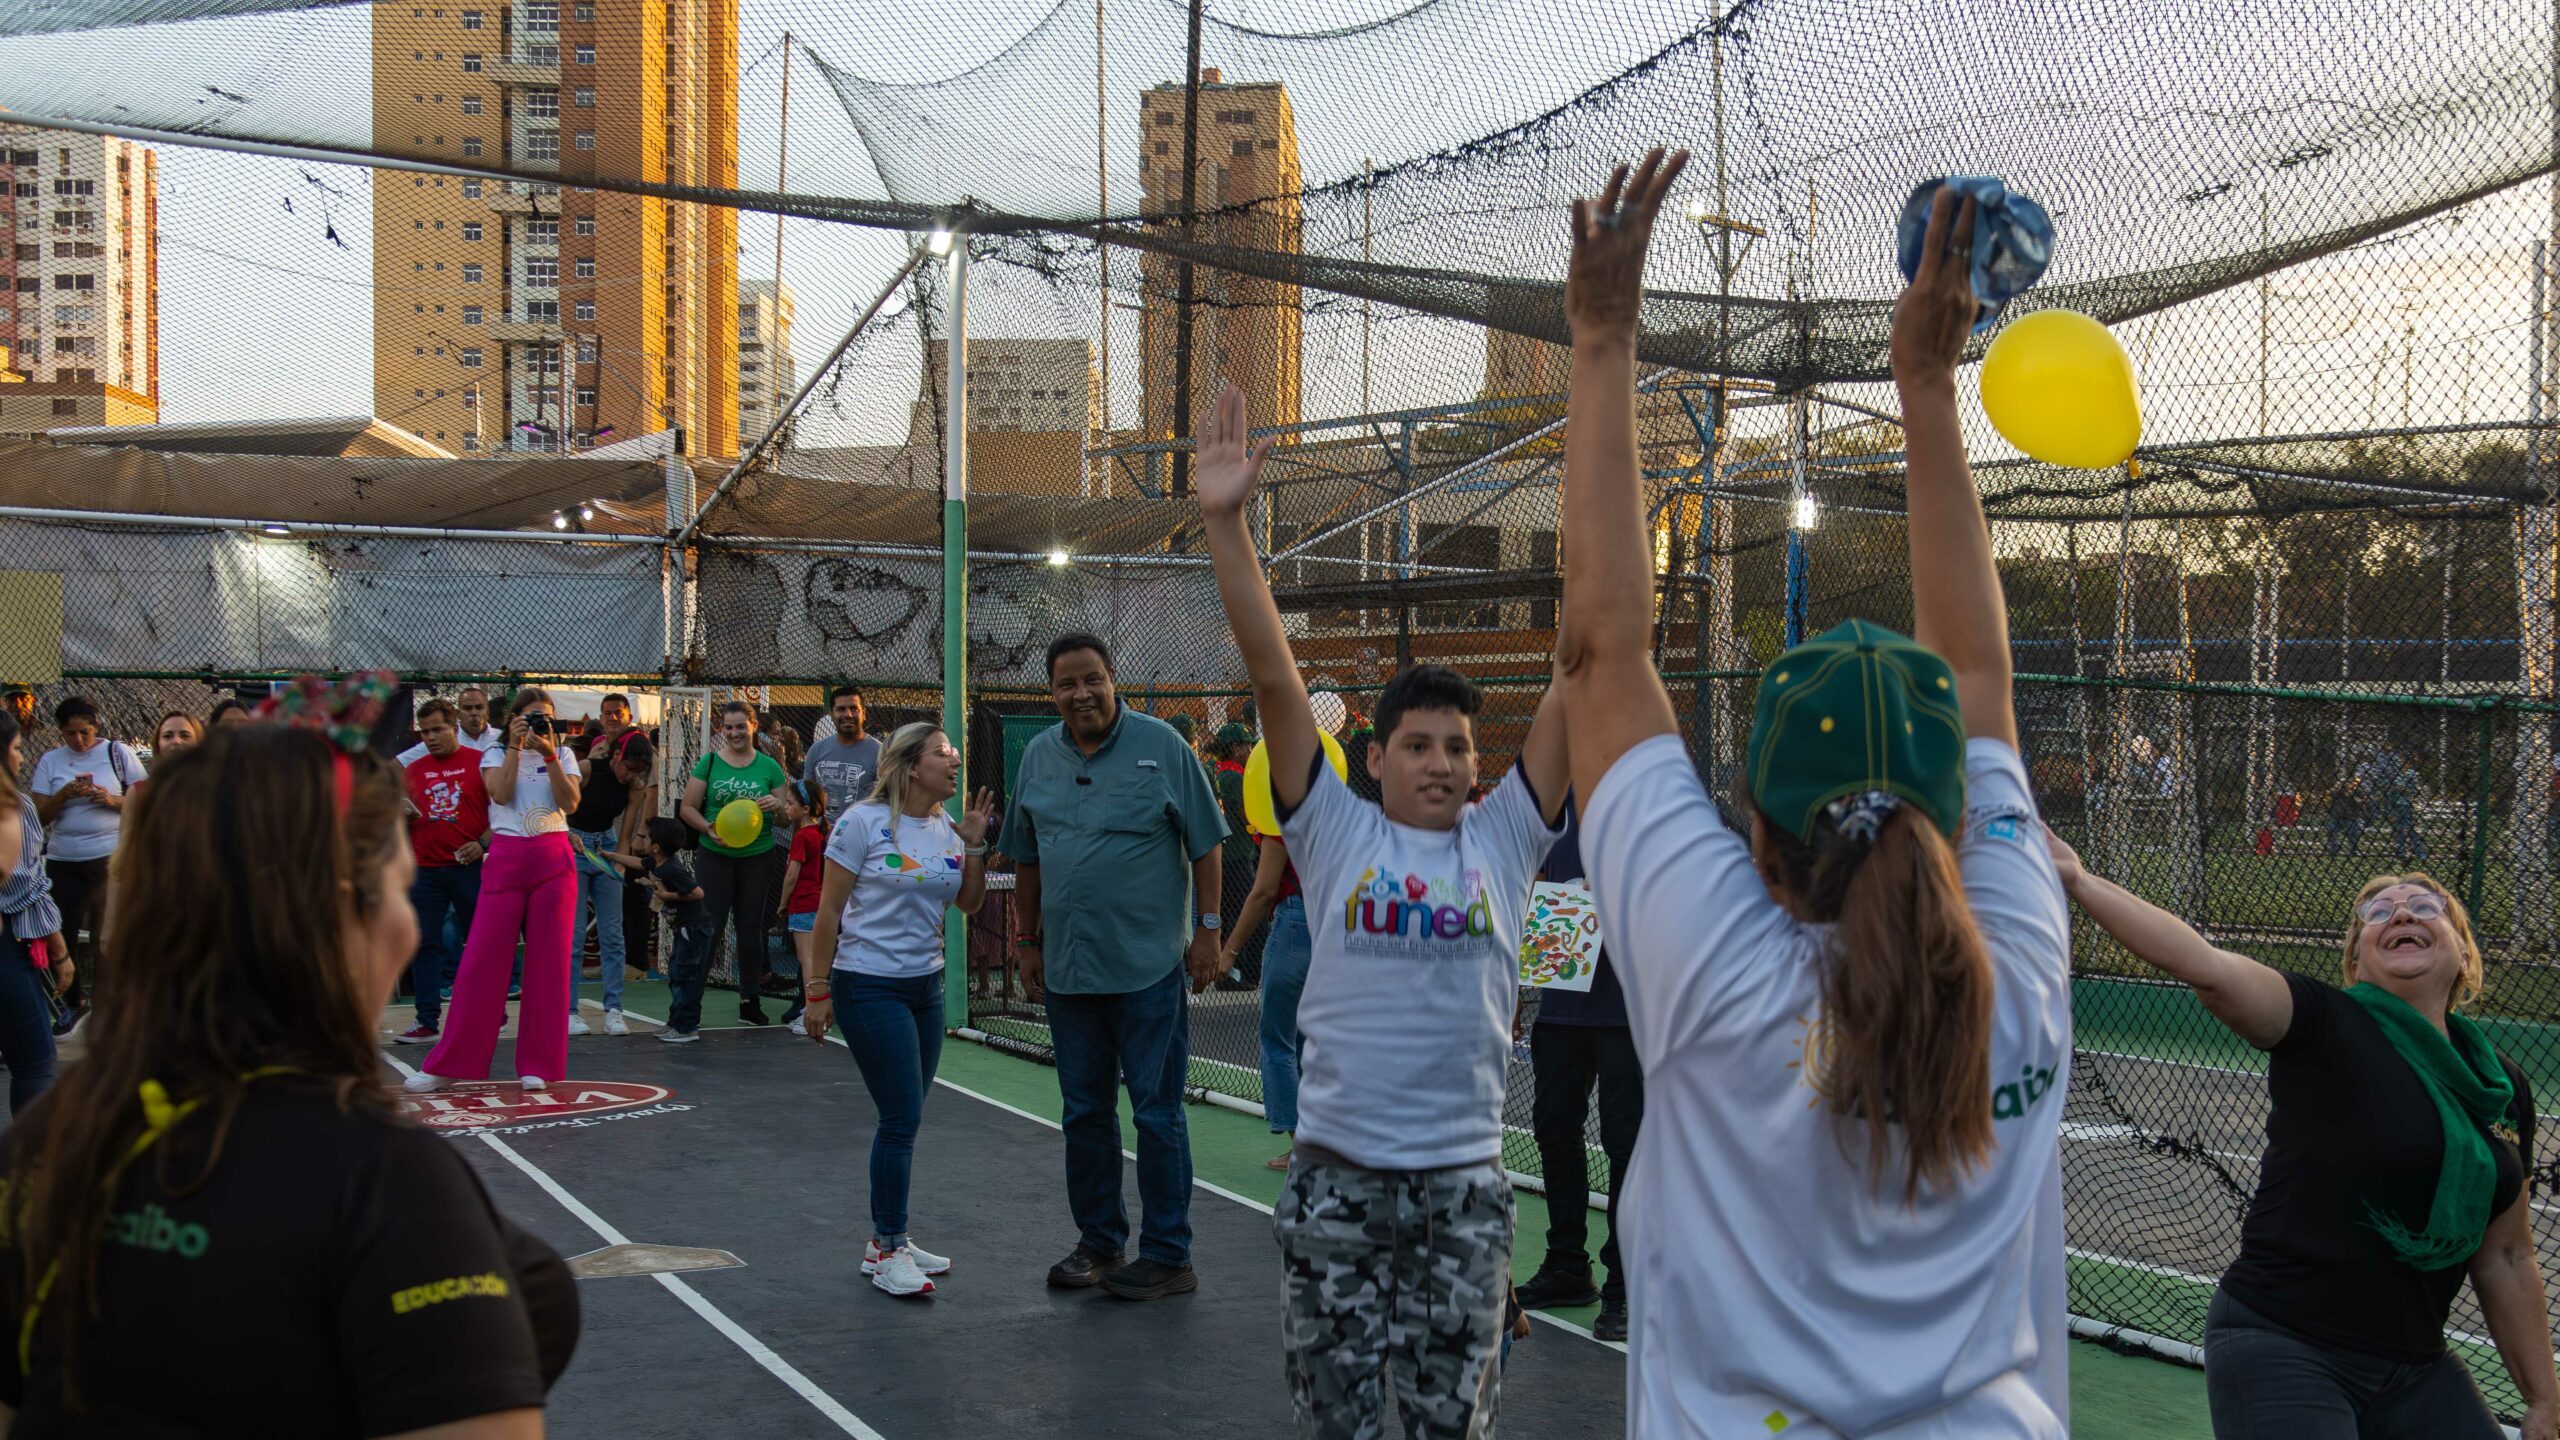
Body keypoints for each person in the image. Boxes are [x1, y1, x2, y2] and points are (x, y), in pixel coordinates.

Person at [1560, 162, 2075, 1437]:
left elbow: (1602, 654)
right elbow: (1977, 671)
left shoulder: (1711, 967)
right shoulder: (2019, 965)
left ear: (1758, 840)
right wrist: (1925, 386)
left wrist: (1603, 338)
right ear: (1959, 822)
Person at [0, 703, 579, 1435]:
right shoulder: (382, 1184)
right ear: (339, 915)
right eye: (397, 894)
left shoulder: (48, 1140)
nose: (408, 930)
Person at [1196, 380, 1570, 1437]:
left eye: (1458, 746)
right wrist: (1227, 522)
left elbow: (1580, 671)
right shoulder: (1334, 829)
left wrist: (1602, 503)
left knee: (1453, 1429)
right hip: (1339, 1194)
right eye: (1419, 744)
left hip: (1462, 1197)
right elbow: (1272, 677)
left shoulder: (1505, 837)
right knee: (1344, 1428)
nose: (1443, 762)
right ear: (1376, 757)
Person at [2052, 842, 2556, 1437]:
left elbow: (2507, 1255)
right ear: (2356, 962)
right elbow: (2206, 967)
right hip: (2285, 1341)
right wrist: (2080, 880)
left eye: (2426, 906)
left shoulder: (2500, 1087)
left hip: (2416, 1368)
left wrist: (2544, 1399)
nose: (2400, 914)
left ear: (2464, 952)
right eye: (2377, 912)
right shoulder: (2325, 1024)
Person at [1002, 632, 1228, 1301]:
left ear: (1113, 679)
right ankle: (1099, 1243)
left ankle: (1168, 1254)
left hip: (1148, 970)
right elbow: (1027, 858)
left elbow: (1207, 844)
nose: (1081, 695)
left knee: (1157, 1115)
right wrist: (1025, 941)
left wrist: (1209, 934)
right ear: (1051, 692)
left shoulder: (1164, 747)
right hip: (1070, 974)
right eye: (1067, 684)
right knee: (1084, 1114)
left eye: (1092, 680)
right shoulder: (1040, 758)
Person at [802, 724, 996, 1297]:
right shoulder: (861, 824)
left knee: (906, 1117)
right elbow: (828, 912)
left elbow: (969, 903)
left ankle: (886, 1242)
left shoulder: (945, 828)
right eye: (944, 754)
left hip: (924, 988)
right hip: (867, 986)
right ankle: (889, 1247)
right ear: (912, 765)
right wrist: (817, 990)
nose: (955, 762)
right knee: (900, 1118)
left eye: (955, 753)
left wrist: (976, 844)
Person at [407, 687, 583, 1093]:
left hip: (553, 862)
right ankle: (449, 1062)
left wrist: (551, 753)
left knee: (549, 967)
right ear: (514, 718)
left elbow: (570, 803)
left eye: (547, 717)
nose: (542, 723)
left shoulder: (566, 754)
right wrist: (518, 747)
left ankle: (540, 1064)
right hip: (506, 860)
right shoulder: (493, 753)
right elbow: (500, 794)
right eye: (533, 716)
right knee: (480, 963)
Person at [1512, 801, 1641, 1344]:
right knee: (1554, 1128)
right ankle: (1568, 1264)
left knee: (1626, 1145)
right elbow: (1537, 884)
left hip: (1628, 1008)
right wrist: (1519, 984)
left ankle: (1626, 1283)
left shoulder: (1646, 797)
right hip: (1563, 1000)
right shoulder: (1555, 805)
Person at [30, 695, 142, 1033]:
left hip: (109, 856)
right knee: (61, 932)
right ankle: (74, 1001)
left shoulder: (118, 753)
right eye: (70, 734)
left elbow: (144, 799)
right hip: (65, 858)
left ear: (97, 727)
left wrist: (109, 799)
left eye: (85, 732)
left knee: (103, 936)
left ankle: (106, 1010)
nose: (79, 740)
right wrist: (64, 794)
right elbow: (39, 816)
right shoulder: (51, 761)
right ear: (61, 733)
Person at [680, 701, 795, 1028]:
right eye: (728, 727)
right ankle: (691, 1004)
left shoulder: (770, 767)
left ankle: (750, 999)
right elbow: (688, 807)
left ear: (753, 726)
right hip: (715, 855)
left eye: (740, 726)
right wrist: (707, 828)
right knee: (710, 928)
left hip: (757, 857)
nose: (734, 733)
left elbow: (787, 818)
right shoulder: (710, 762)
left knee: (750, 930)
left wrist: (777, 806)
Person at [393, 698, 492, 1045]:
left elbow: (504, 814)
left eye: (437, 730)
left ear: (454, 728)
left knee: (480, 943)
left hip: (467, 868)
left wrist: (482, 844)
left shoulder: (480, 763)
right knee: (424, 944)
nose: (431, 738)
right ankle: (426, 1020)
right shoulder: (413, 770)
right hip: (425, 870)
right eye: (425, 732)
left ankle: (490, 1011)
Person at [1222, 823, 1307, 1172]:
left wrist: (1230, 949)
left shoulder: (1284, 819)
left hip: (1295, 923)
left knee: (1278, 1040)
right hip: (1337, 923)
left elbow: (1263, 890)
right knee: (1310, 1040)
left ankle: (1303, 1148)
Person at [564, 695, 646, 1038]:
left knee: (613, 934)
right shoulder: (586, 770)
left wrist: (620, 868)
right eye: (628, 768)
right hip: (576, 845)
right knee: (575, 935)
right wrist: (568, 835)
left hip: (606, 848)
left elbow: (625, 835)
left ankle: (614, 1009)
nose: (630, 776)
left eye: (638, 772)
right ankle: (569, 1010)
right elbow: (557, 811)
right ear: (616, 757)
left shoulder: (635, 786)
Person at [0, 708, 65, 1113]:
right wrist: (59, 949)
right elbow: (25, 886)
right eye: (18, 748)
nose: (21, 758)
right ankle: (28, 1167)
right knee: (35, 1063)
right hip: (6, 949)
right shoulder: (12, 806)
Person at [605, 818, 710, 1044]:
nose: (645, 839)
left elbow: (697, 893)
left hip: (693, 930)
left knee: (686, 977)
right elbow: (639, 863)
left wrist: (666, 896)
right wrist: (612, 856)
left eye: (648, 836)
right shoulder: (657, 862)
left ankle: (687, 1027)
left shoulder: (672, 868)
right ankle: (676, 1022)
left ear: (656, 846)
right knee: (676, 974)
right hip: (683, 929)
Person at [776, 778, 827, 1028]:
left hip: (804, 903)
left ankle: (810, 1009)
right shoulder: (821, 832)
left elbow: (791, 874)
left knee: (806, 959)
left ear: (805, 809)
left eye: (790, 803)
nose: (786, 807)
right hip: (820, 904)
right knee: (818, 959)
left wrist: (783, 903)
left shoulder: (803, 836)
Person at [805, 685, 882, 818]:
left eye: (854, 709)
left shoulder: (881, 752)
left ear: (864, 713)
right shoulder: (816, 750)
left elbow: (887, 801)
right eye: (841, 709)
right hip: (822, 833)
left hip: (861, 833)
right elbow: (807, 796)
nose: (848, 714)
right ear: (832, 714)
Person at [2325, 774, 2368, 858]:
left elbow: (2362, 802)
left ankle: (2353, 851)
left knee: (2353, 833)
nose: (2349, 784)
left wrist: (2351, 795)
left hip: (2351, 818)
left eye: (2350, 782)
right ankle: (2334, 849)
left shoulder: (2358, 791)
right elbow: (2328, 792)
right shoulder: (2339, 791)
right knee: (2331, 830)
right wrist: (2338, 788)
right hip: (2337, 818)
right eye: (2346, 783)